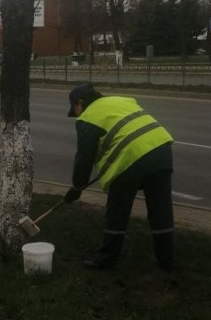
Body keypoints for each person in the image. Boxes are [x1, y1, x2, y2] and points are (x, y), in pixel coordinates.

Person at [64, 83, 175, 271]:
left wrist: (77, 187)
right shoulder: (120, 100)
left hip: (131, 160)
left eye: (75, 109)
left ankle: (106, 261)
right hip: (161, 149)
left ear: (80, 103)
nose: (76, 114)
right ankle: (167, 261)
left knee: (117, 212)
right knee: (161, 210)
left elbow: (84, 157)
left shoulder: (89, 117)